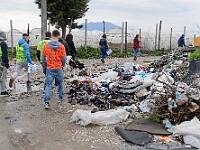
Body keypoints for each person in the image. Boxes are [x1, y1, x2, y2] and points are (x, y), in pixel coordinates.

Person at [42, 30, 66, 109]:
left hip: (50, 67)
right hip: (58, 68)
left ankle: (47, 102)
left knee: (48, 85)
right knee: (60, 83)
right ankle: (61, 98)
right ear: (59, 36)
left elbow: (43, 57)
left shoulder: (46, 46)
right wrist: (62, 65)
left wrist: (45, 66)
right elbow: (63, 58)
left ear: (51, 36)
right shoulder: (61, 46)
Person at [0, 32, 10, 96]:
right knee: (3, 76)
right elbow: (4, 55)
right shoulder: (3, 43)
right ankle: (3, 91)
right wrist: (6, 64)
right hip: (1, 61)